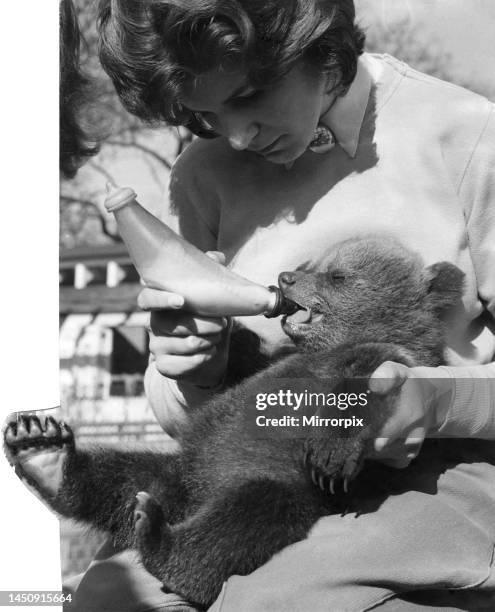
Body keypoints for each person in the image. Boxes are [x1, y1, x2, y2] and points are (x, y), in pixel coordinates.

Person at [67, 0, 495, 609]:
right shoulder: (199, 175)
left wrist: (436, 400)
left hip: (435, 481)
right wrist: (194, 367)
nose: (236, 135)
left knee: (270, 598)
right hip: (252, 471)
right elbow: (185, 413)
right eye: (203, 113)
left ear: (318, 47)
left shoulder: (466, 133)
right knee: (109, 598)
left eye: (247, 97)